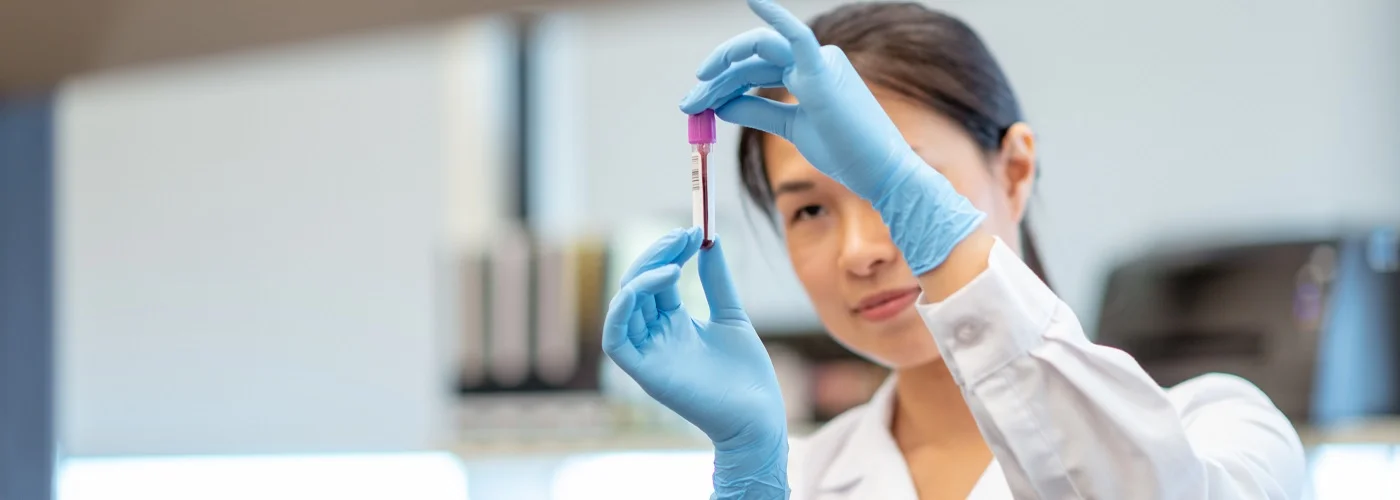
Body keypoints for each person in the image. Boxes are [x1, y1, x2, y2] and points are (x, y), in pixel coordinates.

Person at [601, 0, 1306, 498]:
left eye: (895, 181)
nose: (859, 250)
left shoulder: (1222, 430)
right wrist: (752, 475)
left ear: (1016, 169)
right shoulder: (806, 479)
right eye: (810, 208)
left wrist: (937, 231)